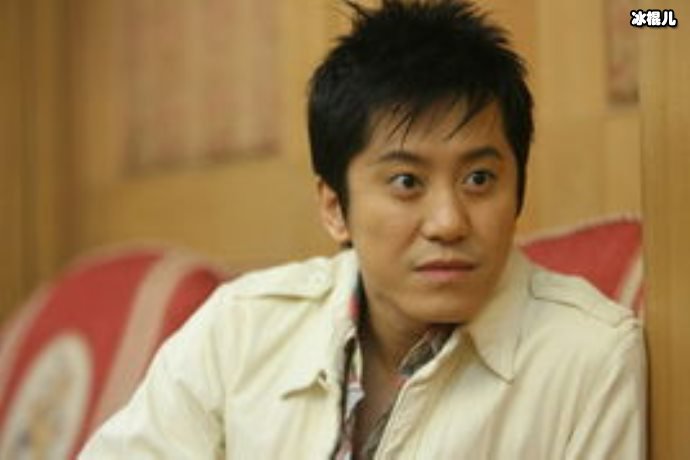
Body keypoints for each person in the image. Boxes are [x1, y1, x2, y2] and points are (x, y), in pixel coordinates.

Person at [80, 1, 646, 458]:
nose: (449, 222)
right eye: (406, 182)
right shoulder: (240, 328)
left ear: (517, 188)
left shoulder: (589, 358)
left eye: (479, 178)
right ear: (335, 208)